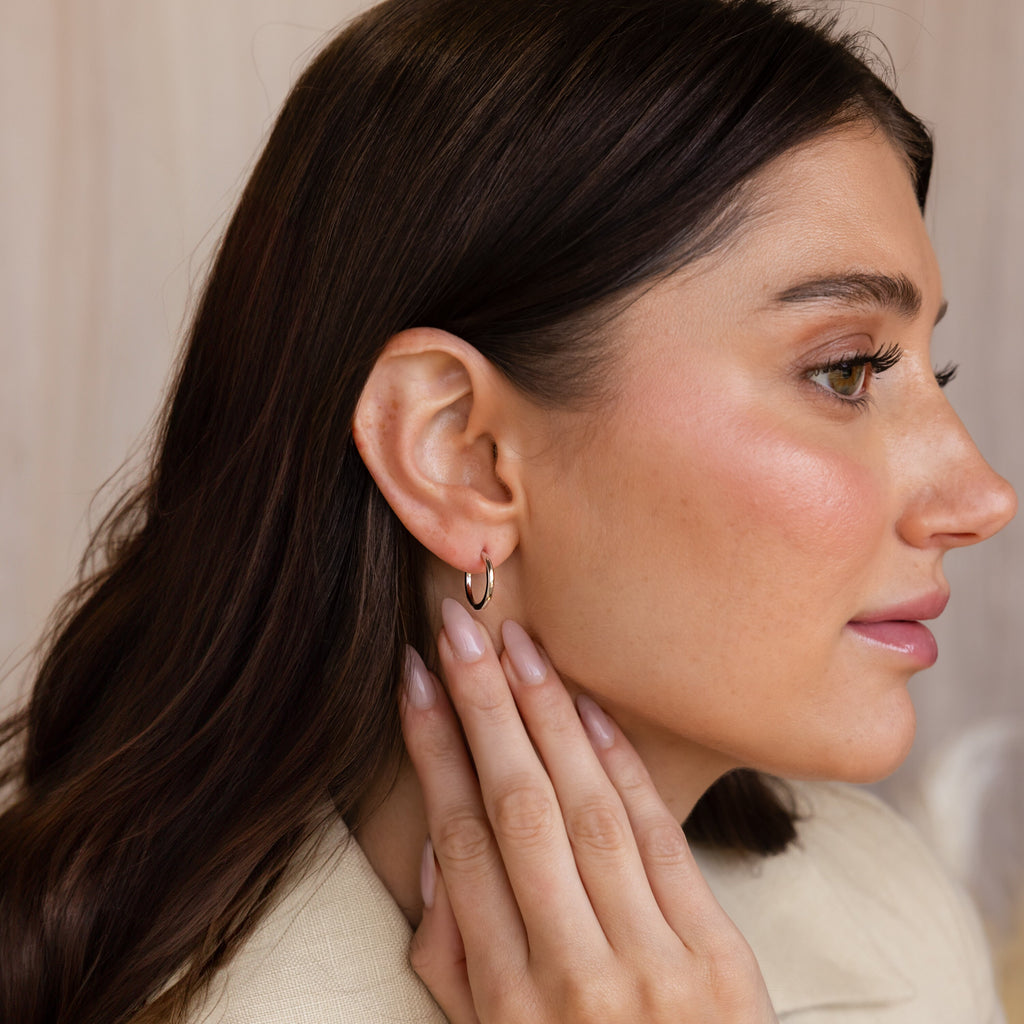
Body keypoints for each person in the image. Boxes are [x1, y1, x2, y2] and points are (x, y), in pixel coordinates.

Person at [0, 0, 1015, 1021]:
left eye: (936, 371)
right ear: (460, 454)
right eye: (846, 370)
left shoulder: (889, 926)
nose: (982, 497)